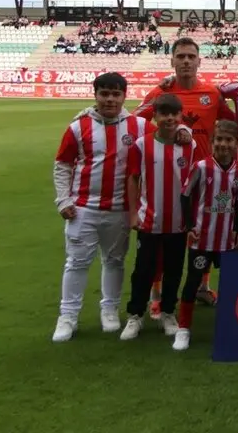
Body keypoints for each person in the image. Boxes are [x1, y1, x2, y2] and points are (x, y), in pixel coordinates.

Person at [136, 36, 232, 311]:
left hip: (206, 179)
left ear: (199, 61)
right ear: (172, 61)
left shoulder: (212, 94)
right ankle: (156, 296)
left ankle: (202, 286)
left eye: (191, 56)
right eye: (181, 56)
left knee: (206, 233)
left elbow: (229, 121)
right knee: (164, 239)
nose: (186, 61)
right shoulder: (159, 94)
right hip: (169, 180)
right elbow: (134, 124)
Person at [51, 72, 148, 343]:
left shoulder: (138, 126)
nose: (110, 99)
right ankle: (68, 316)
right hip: (83, 208)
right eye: (104, 93)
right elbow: (63, 165)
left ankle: (109, 309)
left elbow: (166, 133)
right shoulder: (78, 127)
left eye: (115, 94)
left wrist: (185, 133)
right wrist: (63, 200)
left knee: (115, 261)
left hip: (119, 209)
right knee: (77, 262)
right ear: (95, 95)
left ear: (124, 96)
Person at [120, 94, 197, 341]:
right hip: (149, 220)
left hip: (178, 221)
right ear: (155, 116)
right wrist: (133, 213)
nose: (170, 118)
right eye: (164, 114)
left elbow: (193, 182)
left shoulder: (189, 145)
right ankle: (136, 315)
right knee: (144, 269)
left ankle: (167, 312)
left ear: (180, 116)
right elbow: (133, 178)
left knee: (174, 270)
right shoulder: (141, 145)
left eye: (174, 114)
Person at [174, 120, 238, 351]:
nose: (223, 144)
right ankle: (183, 329)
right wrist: (188, 226)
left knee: (233, 281)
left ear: (236, 143)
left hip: (228, 238)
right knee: (193, 281)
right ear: (213, 141)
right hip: (202, 237)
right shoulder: (201, 167)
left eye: (229, 140)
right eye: (219, 140)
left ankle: (231, 324)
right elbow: (185, 196)